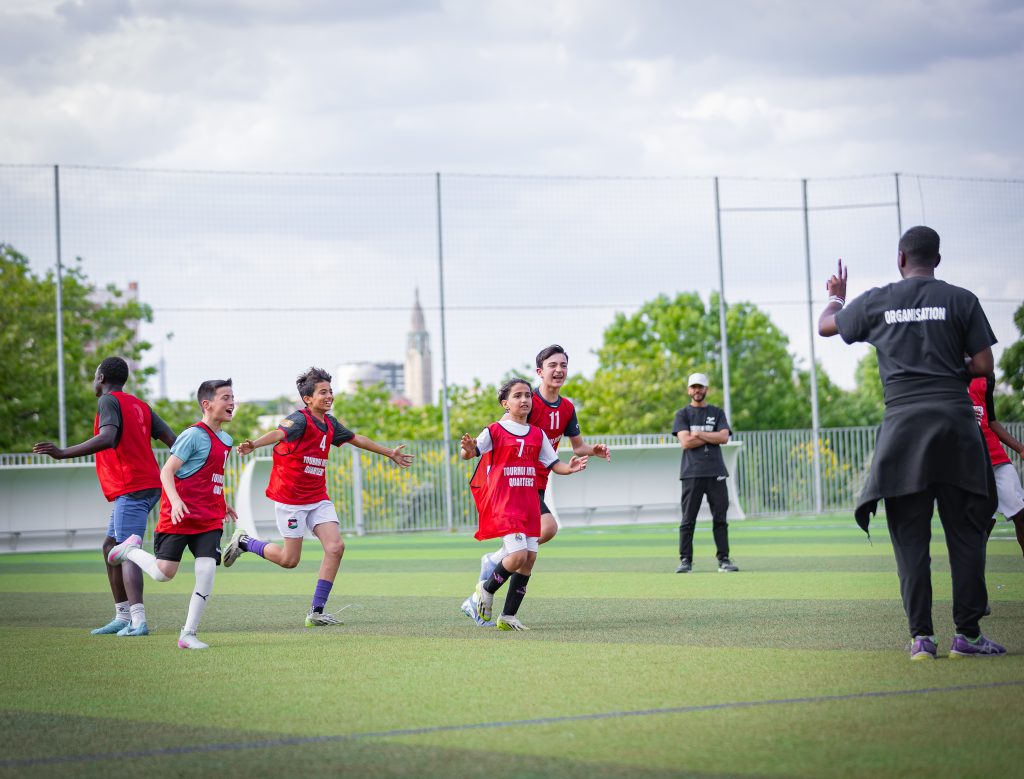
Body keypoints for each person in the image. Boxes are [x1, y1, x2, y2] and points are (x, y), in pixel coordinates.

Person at [818, 225, 1005, 659]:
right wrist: (950, 362)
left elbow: (827, 326)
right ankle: (968, 636)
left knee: (910, 542)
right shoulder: (961, 299)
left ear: (900, 258)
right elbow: (984, 365)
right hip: (956, 428)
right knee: (966, 535)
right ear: (936, 259)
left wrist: (837, 296)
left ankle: (922, 638)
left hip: (903, 434)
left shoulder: (879, 300)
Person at [223, 367, 414, 627]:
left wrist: (389, 452)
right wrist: (254, 444)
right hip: (291, 500)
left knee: (336, 548)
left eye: (330, 391)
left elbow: (358, 439)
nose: (329, 396)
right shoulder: (299, 420)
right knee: (289, 560)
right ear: (308, 399)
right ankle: (245, 542)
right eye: (323, 392)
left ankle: (316, 612)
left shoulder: (330, 424)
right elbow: (279, 434)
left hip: (317, 497)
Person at [460, 345, 610, 625]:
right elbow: (502, 434)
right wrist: (475, 453)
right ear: (540, 371)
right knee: (541, 534)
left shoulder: (566, 408)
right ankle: (496, 565)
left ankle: (507, 613)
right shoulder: (526, 403)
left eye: (563, 365)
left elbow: (577, 448)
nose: (559, 370)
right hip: (513, 488)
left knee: (529, 555)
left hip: (536, 483)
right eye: (553, 365)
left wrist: (592, 451)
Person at [32, 356, 176, 636]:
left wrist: (62, 452)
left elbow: (108, 437)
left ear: (101, 378)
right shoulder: (140, 405)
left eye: (94, 375)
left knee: (126, 549)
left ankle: (138, 621)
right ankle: (122, 616)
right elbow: (173, 440)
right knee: (110, 546)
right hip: (149, 485)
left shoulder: (108, 401)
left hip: (132, 486)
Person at [106, 378, 237, 650]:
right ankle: (129, 550)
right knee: (163, 574)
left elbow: (213, 475)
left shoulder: (226, 440)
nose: (232, 403)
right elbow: (167, 471)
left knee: (207, 569)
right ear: (207, 404)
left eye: (232, 398)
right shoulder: (192, 435)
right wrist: (175, 501)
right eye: (225, 398)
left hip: (208, 518)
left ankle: (188, 634)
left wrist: (223, 502)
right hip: (178, 517)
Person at [671, 373, 738, 573]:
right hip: (691, 472)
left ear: (706, 389)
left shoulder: (717, 412)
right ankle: (685, 560)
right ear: (688, 390)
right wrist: (712, 436)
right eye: (693, 387)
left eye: (700, 387)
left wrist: (699, 433)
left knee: (720, 518)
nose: (697, 390)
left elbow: (724, 438)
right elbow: (685, 442)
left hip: (716, 471)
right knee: (688, 519)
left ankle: (724, 559)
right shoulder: (682, 414)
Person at [968, 373, 1024, 556]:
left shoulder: (986, 376)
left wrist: (1020, 448)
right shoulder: (944, 371)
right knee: (982, 524)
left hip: (995, 456)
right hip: (966, 460)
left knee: (1021, 514)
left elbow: (991, 420)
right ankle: (972, 571)